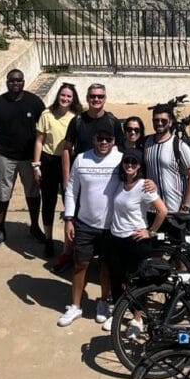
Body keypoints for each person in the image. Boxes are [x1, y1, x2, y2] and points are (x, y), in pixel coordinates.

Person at [57, 119, 121, 327]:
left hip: (111, 226)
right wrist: (69, 219)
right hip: (84, 223)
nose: (103, 142)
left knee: (106, 266)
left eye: (108, 139)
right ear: (93, 139)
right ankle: (75, 306)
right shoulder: (81, 159)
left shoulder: (121, 160)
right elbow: (71, 191)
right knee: (80, 264)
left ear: (113, 141)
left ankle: (103, 302)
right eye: (100, 138)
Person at [53, 82, 121, 273]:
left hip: (105, 179)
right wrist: (66, 178)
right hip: (82, 175)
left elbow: (122, 151)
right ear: (87, 98)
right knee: (72, 214)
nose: (96, 99)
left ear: (105, 99)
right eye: (93, 96)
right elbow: (67, 148)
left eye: (100, 96)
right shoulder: (78, 121)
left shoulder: (112, 122)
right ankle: (68, 252)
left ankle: (102, 255)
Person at [103, 148, 167, 334]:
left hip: (135, 241)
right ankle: (118, 312)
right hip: (116, 238)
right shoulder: (119, 184)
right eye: (127, 161)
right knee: (117, 279)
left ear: (139, 166)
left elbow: (162, 211)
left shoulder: (144, 186)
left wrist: (151, 232)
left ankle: (137, 319)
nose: (129, 165)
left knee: (138, 282)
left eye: (134, 162)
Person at [0, 68, 45, 248]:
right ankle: (0, 229)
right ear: (7, 82)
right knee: (2, 194)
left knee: (33, 193)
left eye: (18, 80)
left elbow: (43, 126)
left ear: (23, 82)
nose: (15, 83)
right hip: (6, 157)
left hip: (28, 158)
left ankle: (34, 227)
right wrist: (0, 146)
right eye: (12, 80)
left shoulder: (34, 102)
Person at [32, 83, 83, 258]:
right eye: (63, 95)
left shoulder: (77, 117)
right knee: (48, 201)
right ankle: (48, 240)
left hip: (70, 161)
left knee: (70, 201)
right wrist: (36, 165)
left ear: (73, 99)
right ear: (58, 95)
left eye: (69, 96)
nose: (65, 99)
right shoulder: (46, 114)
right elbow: (39, 140)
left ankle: (70, 243)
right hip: (48, 160)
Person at [143, 103, 190, 240]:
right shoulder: (146, 142)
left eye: (163, 120)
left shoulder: (179, 145)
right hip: (153, 210)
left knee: (177, 255)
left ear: (171, 121)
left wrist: (185, 206)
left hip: (175, 210)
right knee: (156, 253)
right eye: (156, 120)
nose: (159, 123)